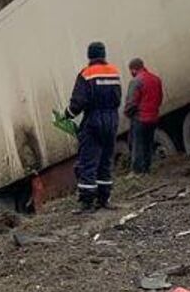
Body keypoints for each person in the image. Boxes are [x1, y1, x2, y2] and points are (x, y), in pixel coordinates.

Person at [67, 41, 123, 210]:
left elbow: (79, 101)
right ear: (104, 54)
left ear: (89, 55)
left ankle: (87, 202)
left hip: (93, 120)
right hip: (112, 119)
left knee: (88, 162)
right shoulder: (114, 72)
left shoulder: (86, 74)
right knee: (105, 160)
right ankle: (104, 199)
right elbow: (118, 98)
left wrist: (68, 114)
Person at [124, 57, 164, 174]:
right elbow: (160, 98)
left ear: (133, 70)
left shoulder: (136, 81)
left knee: (137, 145)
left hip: (140, 118)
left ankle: (137, 172)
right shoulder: (156, 79)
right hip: (153, 117)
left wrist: (128, 113)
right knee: (148, 144)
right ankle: (147, 169)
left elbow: (132, 102)